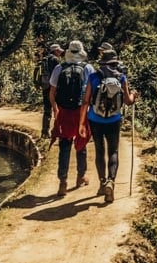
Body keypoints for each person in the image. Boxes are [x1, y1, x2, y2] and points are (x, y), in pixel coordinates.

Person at [84, 42, 138, 204]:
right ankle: (111, 181)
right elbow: (128, 101)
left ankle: (102, 182)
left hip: (95, 119)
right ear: (115, 62)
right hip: (114, 120)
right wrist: (134, 95)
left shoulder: (94, 77)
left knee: (99, 151)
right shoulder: (121, 78)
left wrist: (81, 122)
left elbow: (86, 100)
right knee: (113, 151)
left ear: (102, 63)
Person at [49, 39, 92, 196]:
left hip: (64, 112)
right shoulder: (87, 68)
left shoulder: (59, 68)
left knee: (64, 145)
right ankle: (81, 176)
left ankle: (63, 182)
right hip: (81, 112)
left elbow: (52, 93)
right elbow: (93, 92)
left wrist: (55, 109)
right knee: (81, 144)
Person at [38, 42, 62, 138]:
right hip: (54, 87)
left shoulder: (45, 59)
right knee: (58, 108)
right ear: (55, 51)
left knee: (47, 109)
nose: (60, 52)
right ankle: (58, 131)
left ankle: (44, 132)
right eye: (59, 51)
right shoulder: (55, 60)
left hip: (45, 86)